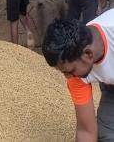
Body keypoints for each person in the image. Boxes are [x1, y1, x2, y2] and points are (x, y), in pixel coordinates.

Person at [42, 13, 114, 141]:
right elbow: (86, 131)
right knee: (107, 136)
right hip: (111, 84)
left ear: (88, 54)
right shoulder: (76, 75)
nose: (68, 77)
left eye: (70, 71)